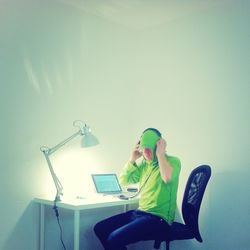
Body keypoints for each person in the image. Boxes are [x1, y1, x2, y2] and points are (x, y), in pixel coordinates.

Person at [94, 128, 181, 250]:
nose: (146, 154)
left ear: (157, 147)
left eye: (149, 149)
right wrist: (132, 159)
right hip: (140, 213)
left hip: (159, 219)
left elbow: (167, 177)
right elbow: (125, 180)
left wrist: (160, 155)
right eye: (144, 150)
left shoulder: (173, 161)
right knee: (100, 228)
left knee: (114, 238)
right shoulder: (145, 165)